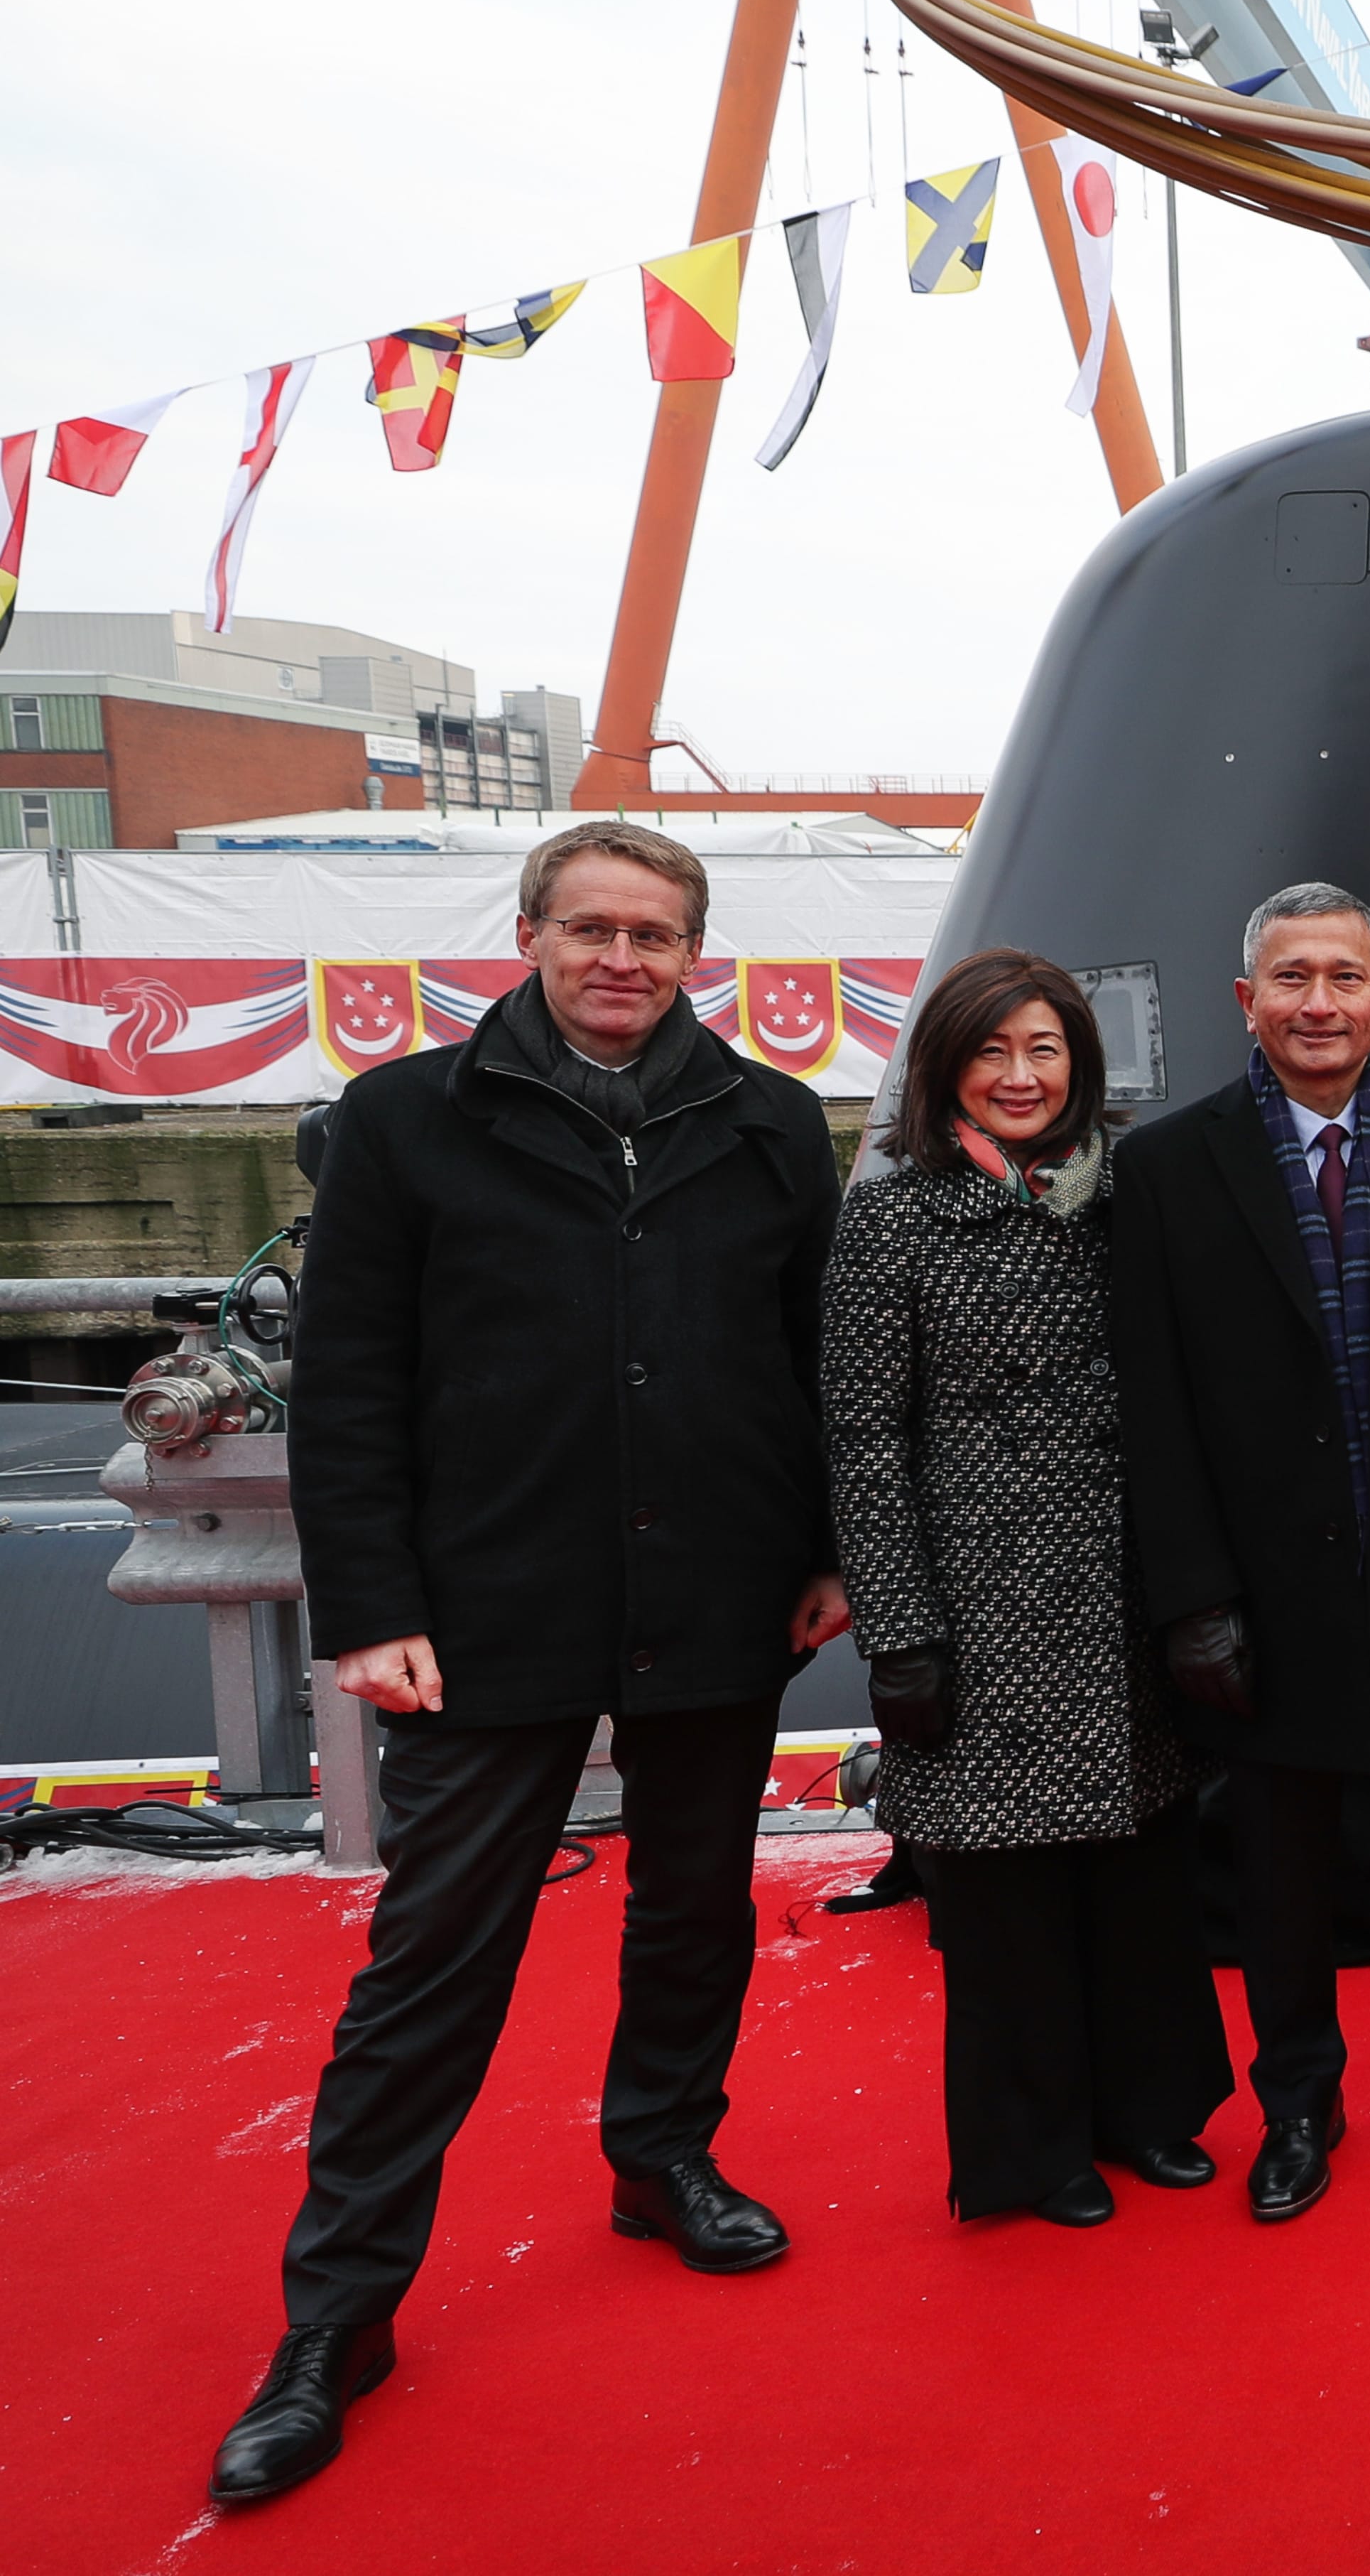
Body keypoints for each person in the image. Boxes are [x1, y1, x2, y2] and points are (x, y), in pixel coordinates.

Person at [217, 822, 849, 2505]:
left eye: (652, 931)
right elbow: (349, 1382)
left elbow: (815, 1360)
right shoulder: (409, 1120)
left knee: (696, 1903)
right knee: (433, 1957)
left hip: (716, 1592)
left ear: (695, 952)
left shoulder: (774, 1124)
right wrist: (367, 1603)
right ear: (530, 935)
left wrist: (832, 1553)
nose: (620, 957)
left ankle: (662, 2154)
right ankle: (335, 2315)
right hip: (489, 1604)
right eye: (590, 928)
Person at [1106, 884, 1370, 2224]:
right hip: (1262, 1591)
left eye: (1345, 978)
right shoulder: (1170, 1168)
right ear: (1248, 1001)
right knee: (1282, 1871)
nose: (1319, 1002)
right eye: (1291, 977)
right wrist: (1192, 1599)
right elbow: (1154, 1398)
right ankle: (1298, 2099)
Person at [824, 946, 1231, 2226]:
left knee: (1139, 1884)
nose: (1019, 1076)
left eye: (1044, 1050)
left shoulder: (1129, 1204)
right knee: (1006, 1911)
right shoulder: (895, 1217)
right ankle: (1032, 2148)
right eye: (993, 1051)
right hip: (978, 1614)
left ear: (1080, 1066)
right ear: (947, 1065)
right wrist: (900, 1633)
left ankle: (1146, 2114)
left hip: (1121, 1604)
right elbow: (865, 1438)